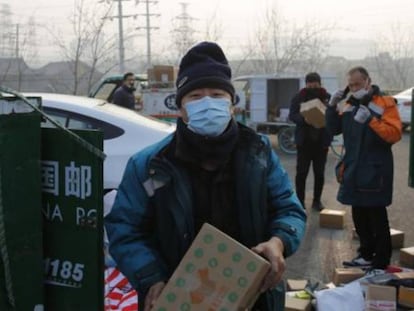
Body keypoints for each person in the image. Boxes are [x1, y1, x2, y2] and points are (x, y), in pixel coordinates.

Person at [105, 41, 307, 311]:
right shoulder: (151, 165)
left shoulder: (258, 154)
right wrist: (151, 278)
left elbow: (288, 208)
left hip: (254, 296)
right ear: (181, 107)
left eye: (217, 94)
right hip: (179, 298)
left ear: (232, 104)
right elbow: (125, 228)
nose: (207, 103)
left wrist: (279, 241)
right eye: (196, 96)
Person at [326, 66, 402, 270]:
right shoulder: (349, 105)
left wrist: (370, 120)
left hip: (375, 169)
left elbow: (394, 134)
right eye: (351, 85)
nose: (354, 88)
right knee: (358, 214)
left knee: (376, 215)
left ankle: (381, 260)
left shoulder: (384, 103)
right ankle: (366, 254)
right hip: (353, 168)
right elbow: (334, 129)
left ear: (368, 81)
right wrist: (332, 107)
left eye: (358, 84)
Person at [288, 72, 332, 211]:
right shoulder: (298, 97)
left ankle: (316, 201)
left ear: (320, 83)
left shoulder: (327, 97)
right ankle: (300, 202)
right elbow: (292, 115)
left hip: (321, 142)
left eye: (315, 83)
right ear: (306, 84)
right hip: (304, 142)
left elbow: (332, 116)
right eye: (310, 83)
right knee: (301, 173)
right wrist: (304, 119)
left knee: (319, 173)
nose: (313, 86)